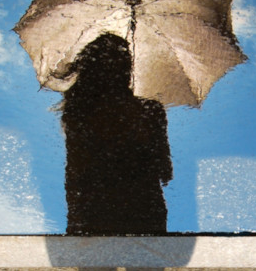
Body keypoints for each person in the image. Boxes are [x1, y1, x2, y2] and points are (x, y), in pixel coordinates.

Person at [61, 33, 173, 235]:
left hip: (92, 211)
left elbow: (75, 173)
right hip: (142, 210)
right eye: (125, 62)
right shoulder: (150, 110)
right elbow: (164, 171)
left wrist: (75, 219)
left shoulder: (79, 111)